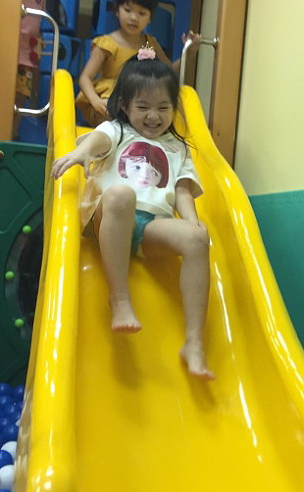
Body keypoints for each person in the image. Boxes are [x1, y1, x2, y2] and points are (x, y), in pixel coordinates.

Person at [52, 49, 215, 381]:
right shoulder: (118, 130)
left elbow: (183, 191)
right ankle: (119, 299)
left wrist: (192, 223)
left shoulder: (178, 148)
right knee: (121, 195)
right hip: (109, 217)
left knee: (198, 238)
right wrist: (80, 152)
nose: (153, 116)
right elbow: (99, 141)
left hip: (150, 227)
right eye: (143, 107)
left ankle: (194, 343)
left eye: (163, 108)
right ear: (125, 106)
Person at [75, 0, 200, 127]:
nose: (134, 18)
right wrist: (95, 101)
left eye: (142, 13)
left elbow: (170, 71)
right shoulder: (106, 44)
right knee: (113, 109)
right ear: (117, 11)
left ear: (150, 17)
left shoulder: (150, 43)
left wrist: (189, 53)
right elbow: (85, 77)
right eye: (128, 10)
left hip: (142, 97)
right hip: (111, 96)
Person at [15, 0, 59, 138]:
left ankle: (11, 133)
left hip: (28, 52)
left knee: (20, 97)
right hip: (10, 46)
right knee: (3, 94)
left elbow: (37, 22)